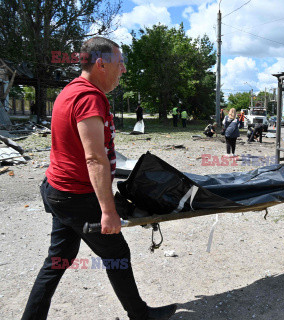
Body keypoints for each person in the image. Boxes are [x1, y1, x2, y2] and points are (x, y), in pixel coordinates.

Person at [21, 37, 177, 320]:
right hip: (77, 196)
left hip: (59, 190)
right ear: (101, 63)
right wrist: (108, 211)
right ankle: (140, 315)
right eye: (120, 63)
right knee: (117, 253)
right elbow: (94, 158)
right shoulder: (89, 97)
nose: (124, 70)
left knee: (59, 259)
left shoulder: (70, 90)